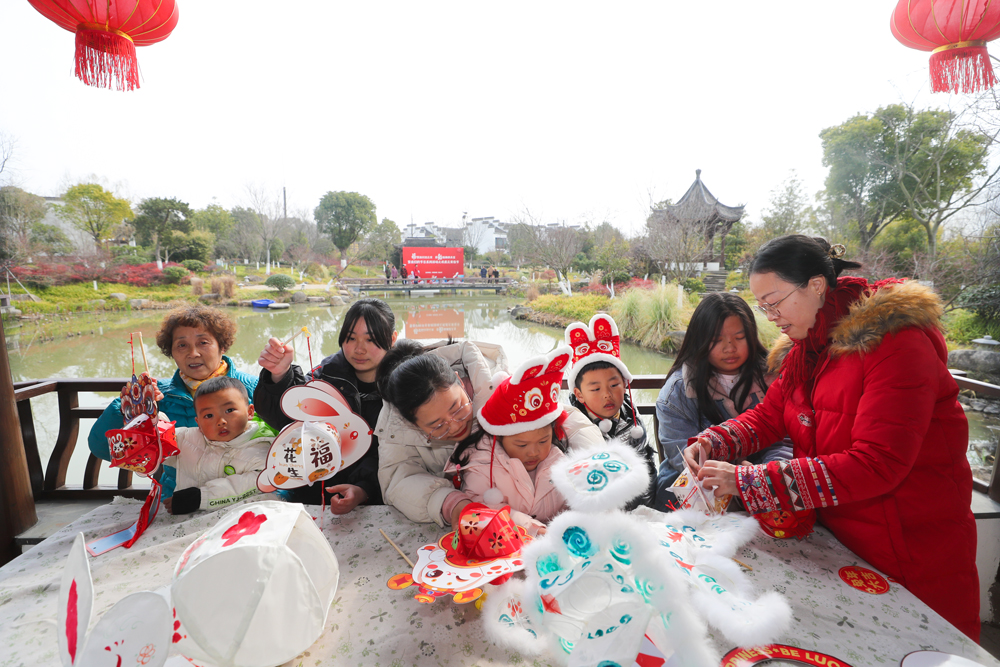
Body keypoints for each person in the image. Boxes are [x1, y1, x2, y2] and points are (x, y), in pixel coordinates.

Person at [683, 235, 979, 641]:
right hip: (842, 538)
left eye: (774, 301)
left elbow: (878, 463)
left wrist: (748, 480)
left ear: (816, 286)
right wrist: (715, 441)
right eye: (763, 306)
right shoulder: (806, 349)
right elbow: (771, 416)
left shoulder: (895, 344)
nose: (769, 315)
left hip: (909, 547)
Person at [376, 338, 604, 527]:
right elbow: (398, 479)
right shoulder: (396, 427)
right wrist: (449, 503)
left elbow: (562, 416)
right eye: (437, 426)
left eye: (457, 408)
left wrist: (593, 463)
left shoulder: (496, 385)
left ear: (459, 381)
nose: (455, 426)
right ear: (411, 423)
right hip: (471, 522)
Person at [88, 305, 259, 499]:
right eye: (182, 345)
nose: (193, 353)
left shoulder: (255, 388)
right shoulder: (157, 396)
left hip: (245, 497)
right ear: (171, 351)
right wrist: (131, 410)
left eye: (203, 342)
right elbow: (103, 448)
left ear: (222, 345)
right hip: (177, 499)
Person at [255, 298, 397, 514]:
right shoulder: (326, 376)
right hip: (314, 497)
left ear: (393, 339)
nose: (359, 349)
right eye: (351, 338)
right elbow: (285, 419)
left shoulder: (405, 387)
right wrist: (279, 375)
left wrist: (364, 489)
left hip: (381, 499)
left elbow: (403, 454)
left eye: (371, 340)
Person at [654, 292, 792, 508]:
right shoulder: (678, 391)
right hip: (695, 491)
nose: (730, 348)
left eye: (739, 338)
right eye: (716, 340)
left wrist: (759, 478)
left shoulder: (774, 377)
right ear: (699, 341)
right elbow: (682, 455)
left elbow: (785, 441)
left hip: (762, 488)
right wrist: (739, 475)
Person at [445, 348, 575, 535]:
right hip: (504, 547)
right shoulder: (481, 464)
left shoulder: (559, 458)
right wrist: (533, 529)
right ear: (498, 437)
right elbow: (481, 507)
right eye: (522, 445)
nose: (533, 452)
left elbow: (573, 501)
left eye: (543, 441)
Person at [564, 314, 655, 509]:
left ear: (625, 383)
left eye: (614, 384)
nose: (607, 394)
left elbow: (647, 465)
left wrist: (647, 508)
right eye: (595, 389)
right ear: (579, 394)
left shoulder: (632, 416)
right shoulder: (572, 427)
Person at [163, 376, 276, 515]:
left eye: (229, 410)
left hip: (244, 518)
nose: (221, 421)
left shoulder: (263, 448)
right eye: (209, 415)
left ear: (250, 412)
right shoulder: (187, 439)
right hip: (192, 519)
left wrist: (200, 498)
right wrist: (153, 420)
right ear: (198, 422)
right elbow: (155, 448)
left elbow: (255, 483)